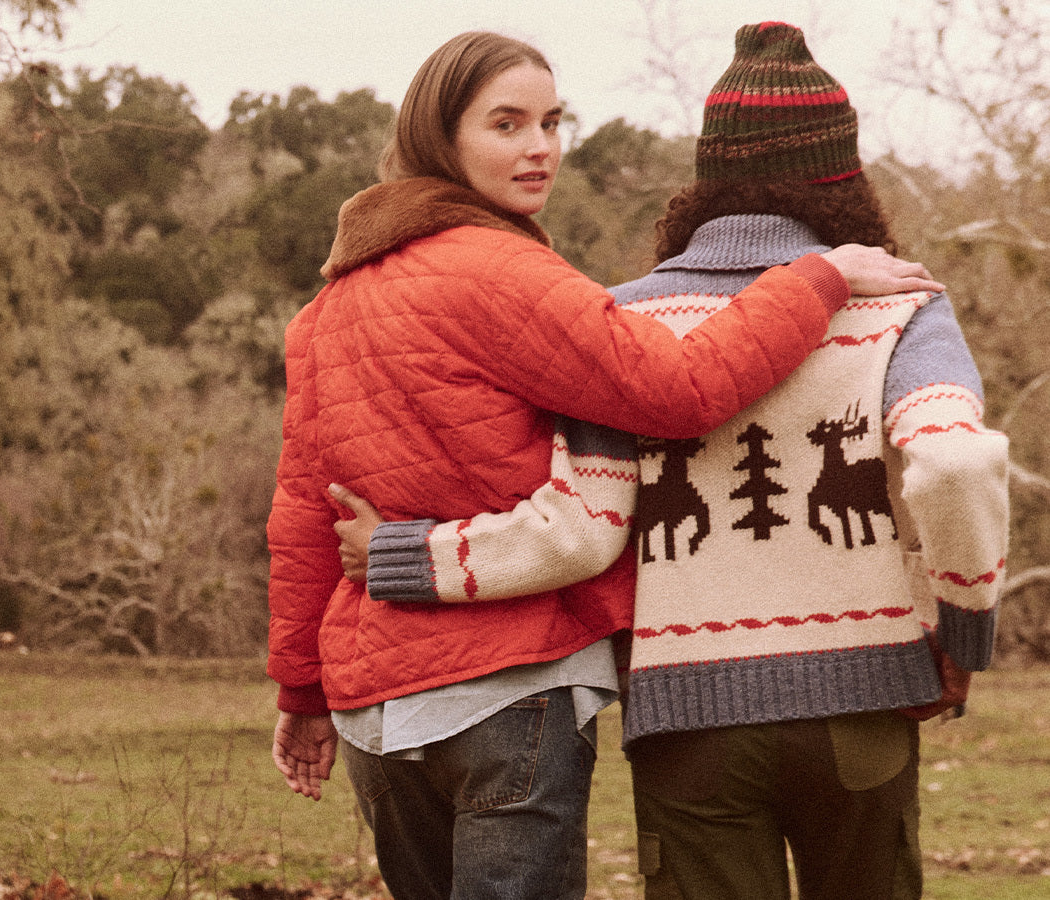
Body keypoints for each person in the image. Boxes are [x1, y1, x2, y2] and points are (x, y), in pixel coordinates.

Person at [332, 23, 1010, 900]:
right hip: (863, 703)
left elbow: (583, 529)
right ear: (844, 171)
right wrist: (962, 628)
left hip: (692, 724)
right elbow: (954, 464)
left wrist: (406, 555)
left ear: (708, 174)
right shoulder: (904, 307)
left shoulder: (618, 320)